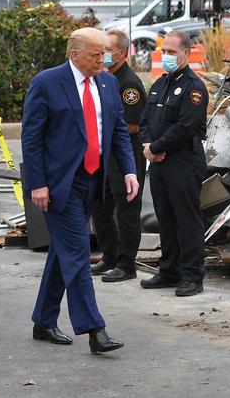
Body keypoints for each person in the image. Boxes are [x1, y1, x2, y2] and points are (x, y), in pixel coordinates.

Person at [21, 27, 139, 353]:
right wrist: (38, 184)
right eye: (96, 54)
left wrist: (128, 169)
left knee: (63, 252)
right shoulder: (47, 83)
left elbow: (116, 131)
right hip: (61, 184)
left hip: (94, 180)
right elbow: (31, 139)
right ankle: (94, 329)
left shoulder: (108, 82)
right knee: (77, 253)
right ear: (75, 54)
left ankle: (44, 320)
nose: (103, 59)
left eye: (105, 53)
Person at [139, 30, 208, 297]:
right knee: (165, 219)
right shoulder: (160, 84)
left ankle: (192, 275)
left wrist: (156, 147)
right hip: (158, 164)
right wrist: (148, 146)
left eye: (171, 51)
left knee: (186, 221)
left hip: (183, 163)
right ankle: (169, 270)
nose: (166, 56)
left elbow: (186, 126)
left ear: (185, 54)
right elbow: (145, 120)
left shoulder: (193, 87)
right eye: (163, 51)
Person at [91, 30, 147, 282]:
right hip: (105, 153)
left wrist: (102, 126)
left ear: (121, 53)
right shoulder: (103, 79)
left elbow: (133, 125)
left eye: (107, 50)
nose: (103, 56)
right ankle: (109, 255)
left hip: (126, 153)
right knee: (101, 207)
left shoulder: (129, 84)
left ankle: (126, 264)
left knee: (126, 210)